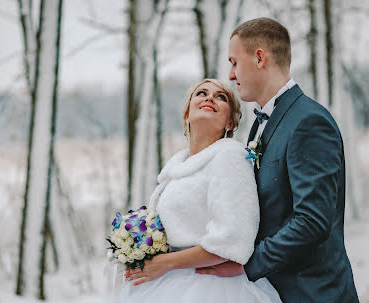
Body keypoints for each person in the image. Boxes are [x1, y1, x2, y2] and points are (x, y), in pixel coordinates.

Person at [196, 17, 359, 303]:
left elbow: (311, 221)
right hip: (273, 292)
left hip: (312, 293)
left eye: (234, 62)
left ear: (260, 58)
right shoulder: (261, 124)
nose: (231, 75)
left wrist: (247, 265)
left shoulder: (308, 122)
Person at [110, 79, 282, 303]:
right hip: (166, 284)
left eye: (221, 97)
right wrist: (134, 248)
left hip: (213, 288)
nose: (210, 97)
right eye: (201, 93)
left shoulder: (230, 156)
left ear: (230, 122)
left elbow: (231, 242)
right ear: (186, 116)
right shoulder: (175, 167)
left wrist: (164, 263)